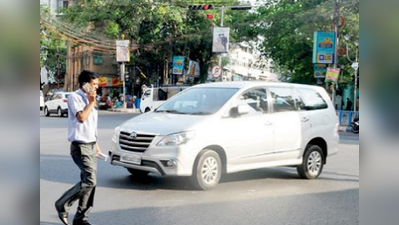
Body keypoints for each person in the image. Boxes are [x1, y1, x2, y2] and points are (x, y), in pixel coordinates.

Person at [55, 70, 103, 225]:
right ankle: (62, 203)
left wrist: (96, 144)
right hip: (80, 146)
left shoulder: (91, 98)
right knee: (90, 181)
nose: (96, 88)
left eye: (97, 85)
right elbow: (81, 118)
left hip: (90, 145)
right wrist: (91, 102)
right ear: (85, 84)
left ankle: (81, 219)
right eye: (94, 84)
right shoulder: (75, 97)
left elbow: (91, 126)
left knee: (89, 183)